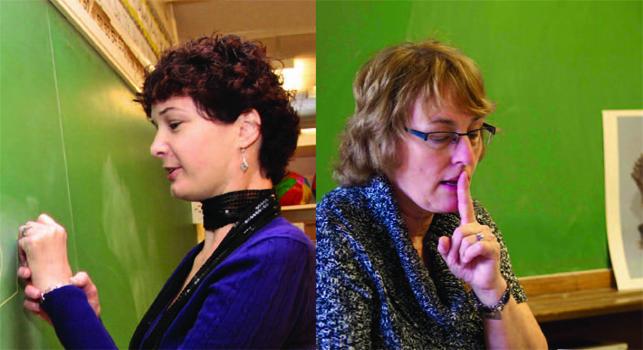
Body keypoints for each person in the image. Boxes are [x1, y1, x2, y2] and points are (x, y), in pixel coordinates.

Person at [17, 34, 315, 349]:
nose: (156, 147)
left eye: (174, 124)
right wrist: (78, 314)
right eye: (156, 128)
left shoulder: (275, 253)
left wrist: (61, 291)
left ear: (245, 130)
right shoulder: (213, 250)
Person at [316, 40, 547, 349]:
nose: (466, 156)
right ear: (383, 139)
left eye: (474, 132)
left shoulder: (469, 223)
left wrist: (492, 289)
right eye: (441, 136)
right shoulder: (341, 226)